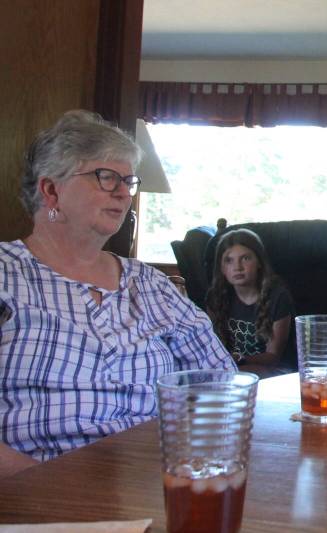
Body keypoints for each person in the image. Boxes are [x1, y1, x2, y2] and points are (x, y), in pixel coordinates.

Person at [0, 110, 235, 475]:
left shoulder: (152, 285)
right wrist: (44, 487)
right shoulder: (6, 275)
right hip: (32, 494)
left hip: (154, 484)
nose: (124, 193)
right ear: (51, 190)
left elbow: (223, 390)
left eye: (128, 181)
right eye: (106, 177)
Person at [206, 228, 295, 378]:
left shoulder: (278, 297)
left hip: (278, 373)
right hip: (232, 369)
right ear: (222, 268)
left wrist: (239, 359)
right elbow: (214, 347)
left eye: (245, 258)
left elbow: (273, 357)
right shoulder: (215, 297)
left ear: (259, 262)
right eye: (229, 260)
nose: (237, 267)